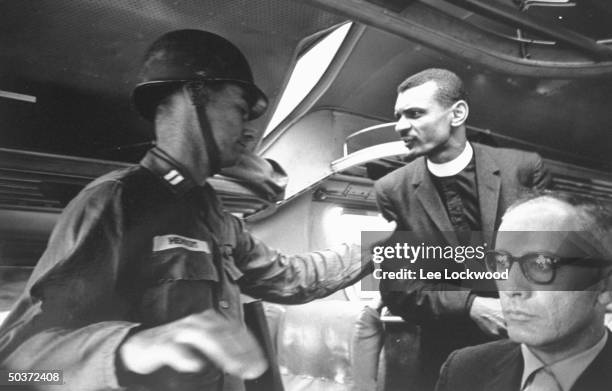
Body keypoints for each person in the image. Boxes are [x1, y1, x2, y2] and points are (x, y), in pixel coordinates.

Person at [0, 29, 370, 391]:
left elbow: (292, 278)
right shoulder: (116, 201)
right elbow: (16, 366)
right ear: (194, 95)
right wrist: (133, 347)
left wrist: (383, 248)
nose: (249, 132)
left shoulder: (215, 217)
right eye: (241, 110)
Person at [375, 68, 550, 389]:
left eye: (414, 114)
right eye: (398, 115)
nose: (400, 126)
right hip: (446, 353)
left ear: (457, 113)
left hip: (526, 344)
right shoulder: (392, 190)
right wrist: (471, 305)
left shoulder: (523, 169)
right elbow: (397, 288)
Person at [436, 192, 612, 391]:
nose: (512, 288)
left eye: (541, 264)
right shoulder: (463, 370)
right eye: (501, 263)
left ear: (604, 285)